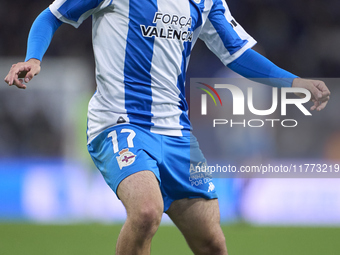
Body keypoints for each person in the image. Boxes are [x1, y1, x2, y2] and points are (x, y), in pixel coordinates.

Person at [4, 0, 330, 254]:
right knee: (146, 211)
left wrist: (293, 81)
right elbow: (51, 16)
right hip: (120, 122)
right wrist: (34, 58)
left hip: (177, 133)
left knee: (212, 244)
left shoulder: (205, 2)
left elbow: (237, 54)